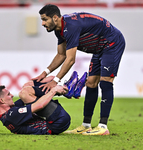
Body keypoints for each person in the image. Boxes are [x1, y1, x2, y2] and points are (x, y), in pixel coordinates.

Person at [33, 4, 126, 135]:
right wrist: (45, 73)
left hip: (112, 43)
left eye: (45, 19)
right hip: (100, 48)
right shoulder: (59, 30)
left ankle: (103, 126)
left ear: (55, 18)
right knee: (90, 83)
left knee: (106, 82)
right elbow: (61, 55)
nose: (42, 23)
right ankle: (86, 125)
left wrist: (56, 80)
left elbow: (70, 60)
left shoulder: (71, 26)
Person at [0, 76, 71, 135]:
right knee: (24, 92)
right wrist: (53, 90)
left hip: (56, 121)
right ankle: (67, 90)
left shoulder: (9, 113)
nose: (12, 95)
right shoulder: (12, 115)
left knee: (26, 89)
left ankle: (63, 90)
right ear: (2, 100)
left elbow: (27, 94)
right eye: (8, 94)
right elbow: (39, 105)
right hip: (57, 123)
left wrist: (38, 82)